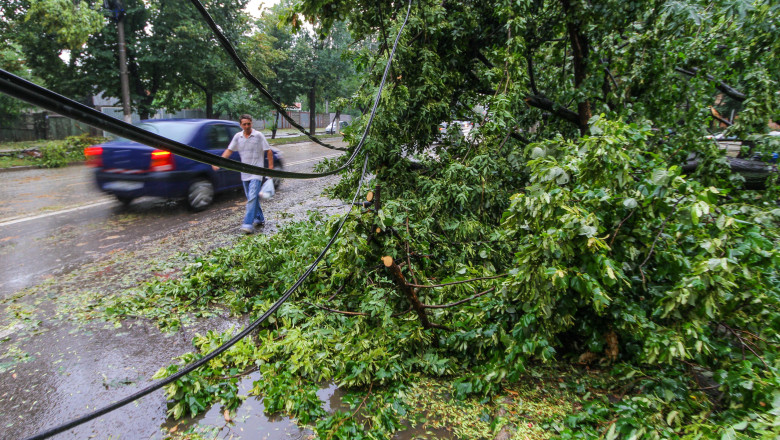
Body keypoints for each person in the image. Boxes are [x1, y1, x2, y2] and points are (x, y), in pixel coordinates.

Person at [213, 114, 274, 234]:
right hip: (244, 173)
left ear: (252, 123)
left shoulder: (258, 135)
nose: (247, 126)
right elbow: (229, 150)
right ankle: (259, 218)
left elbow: (269, 151)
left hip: (256, 172)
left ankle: (247, 224)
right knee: (251, 198)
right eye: (244, 124)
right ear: (240, 125)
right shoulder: (238, 136)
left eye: (249, 124)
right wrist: (219, 162)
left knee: (252, 197)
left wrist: (270, 169)